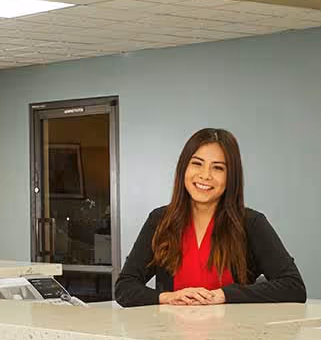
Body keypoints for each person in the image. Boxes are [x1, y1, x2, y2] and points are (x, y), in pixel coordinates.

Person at [114, 128, 306, 307]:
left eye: (218, 168)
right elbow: (124, 288)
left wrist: (224, 295)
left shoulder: (251, 223)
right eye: (197, 163)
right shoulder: (160, 220)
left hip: (234, 338)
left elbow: (293, 287)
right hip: (171, 338)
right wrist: (169, 297)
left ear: (231, 177)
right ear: (184, 168)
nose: (205, 175)